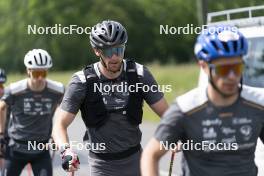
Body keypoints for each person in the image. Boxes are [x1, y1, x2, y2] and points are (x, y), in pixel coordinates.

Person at [141, 26, 264, 176]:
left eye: (237, 68)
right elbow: (151, 155)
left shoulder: (258, 104)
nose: (232, 76)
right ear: (204, 67)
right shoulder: (185, 109)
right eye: (223, 69)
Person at [52, 20, 169, 176]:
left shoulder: (140, 74)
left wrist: (175, 136)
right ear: (97, 51)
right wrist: (66, 151)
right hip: (102, 166)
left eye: (119, 50)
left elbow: (168, 116)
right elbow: (59, 125)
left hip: (136, 161)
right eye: (108, 52)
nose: (114, 57)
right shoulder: (82, 81)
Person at [0, 49, 65, 176]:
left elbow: (64, 110)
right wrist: (1, 135)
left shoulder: (57, 90)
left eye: (44, 73)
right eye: (36, 74)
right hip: (16, 149)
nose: (40, 78)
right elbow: (1, 108)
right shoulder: (15, 90)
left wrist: (57, 135)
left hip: (41, 151)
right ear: (28, 71)